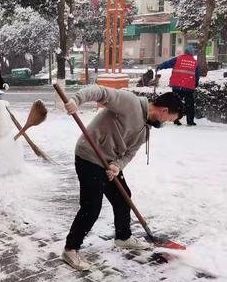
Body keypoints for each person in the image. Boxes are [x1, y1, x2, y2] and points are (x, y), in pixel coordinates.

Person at [62, 86, 184, 271]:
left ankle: (123, 237)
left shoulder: (145, 130)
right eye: (168, 119)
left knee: (122, 196)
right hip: (89, 154)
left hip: (108, 160)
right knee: (91, 206)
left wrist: (116, 166)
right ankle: (71, 249)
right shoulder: (130, 102)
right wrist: (76, 100)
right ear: (164, 110)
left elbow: (129, 153)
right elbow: (100, 92)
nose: (166, 123)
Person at [157, 45, 200, 126]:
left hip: (177, 86)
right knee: (189, 104)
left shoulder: (178, 59)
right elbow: (197, 75)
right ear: (192, 53)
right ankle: (190, 121)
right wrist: (195, 84)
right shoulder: (195, 63)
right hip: (188, 87)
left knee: (176, 103)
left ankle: (176, 120)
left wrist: (160, 67)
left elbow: (167, 63)